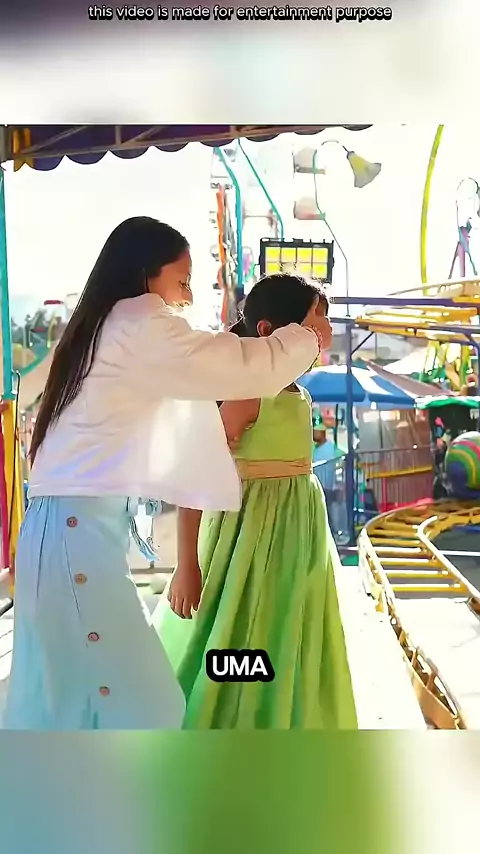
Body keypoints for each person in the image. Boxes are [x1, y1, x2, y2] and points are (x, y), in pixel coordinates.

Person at [3, 218, 321, 731]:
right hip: (75, 537)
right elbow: (237, 365)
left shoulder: (104, 327)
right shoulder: (139, 323)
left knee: (69, 703)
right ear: (147, 273)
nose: (188, 296)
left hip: (68, 531)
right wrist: (303, 338)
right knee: (141, 707)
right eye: (182, 280)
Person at [154, 273, 357, 730]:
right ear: (269, 332)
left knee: (288, 631)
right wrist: (186, 564)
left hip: (297, 535)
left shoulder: (297, 393)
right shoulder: (248, 395)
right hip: (248, 538)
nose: (325, 331)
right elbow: (196, 473)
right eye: (315, 321)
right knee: (244, 632)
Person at [312, 423, 341, 531]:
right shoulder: (315, 448)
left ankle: (332, 531)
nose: (313, 434)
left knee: (326, 511)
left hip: (326, 485)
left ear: (322, 433)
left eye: (315, 432)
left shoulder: (330, 448)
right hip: (317, 484)